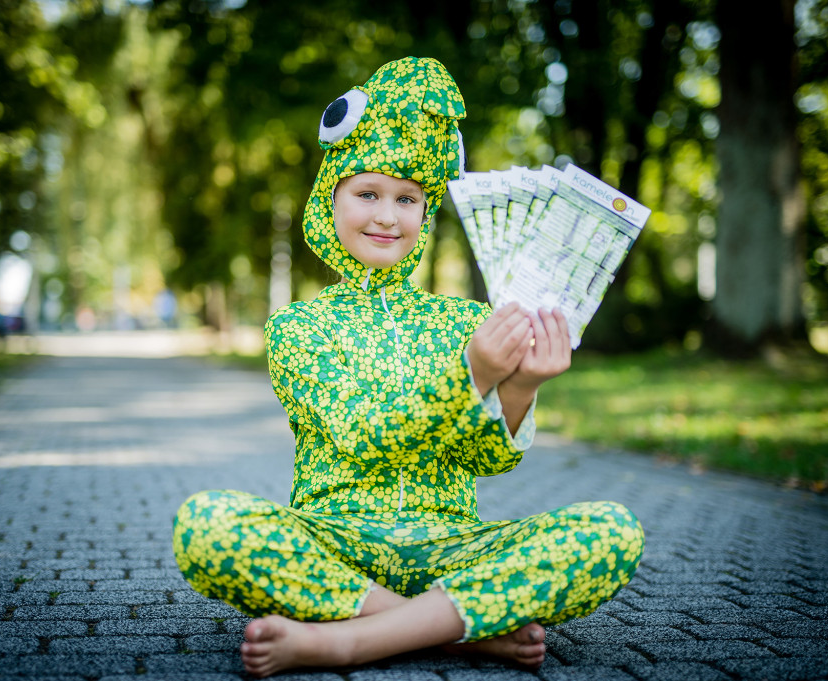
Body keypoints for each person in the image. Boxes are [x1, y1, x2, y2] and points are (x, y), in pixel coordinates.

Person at [172, 57, 644, 678]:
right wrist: (472, 375)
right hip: (334, 541)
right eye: (367, 193)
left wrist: (523, 385)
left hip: (454, 544)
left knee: (611, 531)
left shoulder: (464, 322)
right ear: (328, 201)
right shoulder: (298, 328)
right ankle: (455, 634)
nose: (387, 217)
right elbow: (359, 435)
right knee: (207, 523)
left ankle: (346, 638)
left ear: (425, 213)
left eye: (408, 198)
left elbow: (485, 460)